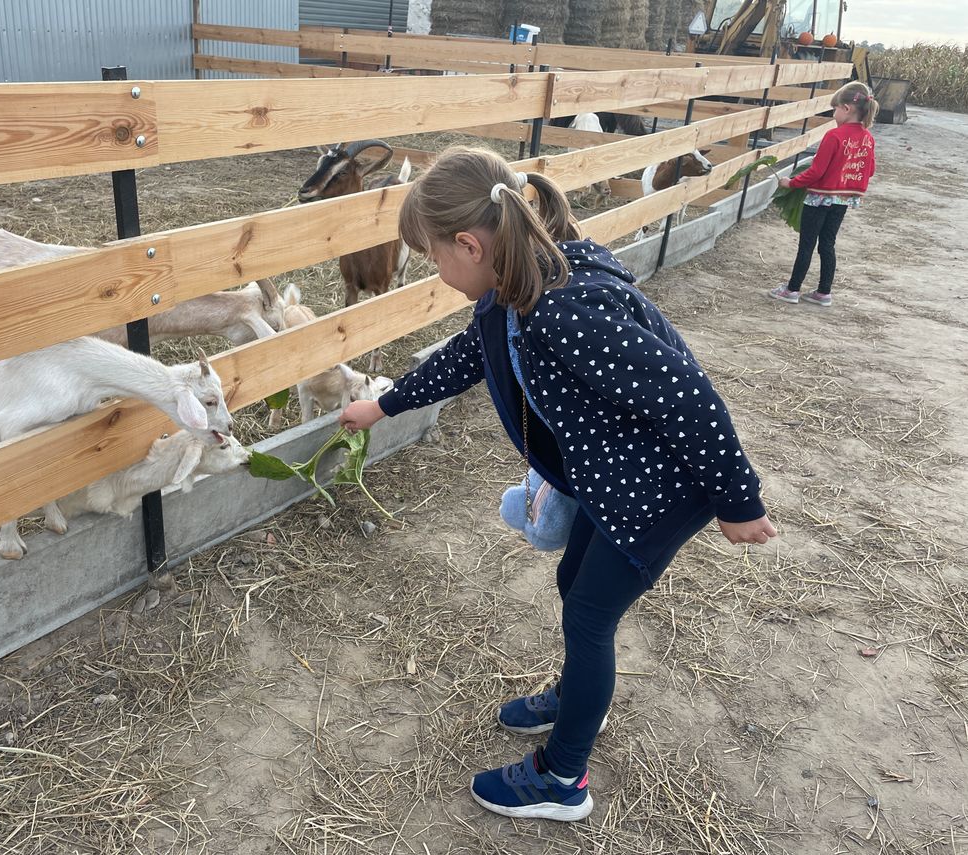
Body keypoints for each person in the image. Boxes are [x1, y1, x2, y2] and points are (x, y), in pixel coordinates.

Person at [339, 146, 777, 822]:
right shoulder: (512, 288)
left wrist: (738, 500)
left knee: (589, 612)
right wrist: (385, 403)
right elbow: (465, 358)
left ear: (469, 244)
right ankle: (580, 700)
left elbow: (686, 396)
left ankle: (563, 778)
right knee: (575, 585)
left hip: (656, 491)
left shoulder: (565, 307)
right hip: (615, 479)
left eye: (434, 258)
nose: (436, 271)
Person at [770, 81, 878, 308]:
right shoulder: (868, 138)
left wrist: (791, 183)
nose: (834, 114)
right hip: (843, 199)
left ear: (846, 108)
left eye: (835, 109)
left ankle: (792, 289)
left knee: (807, 244)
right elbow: (870, 170)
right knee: (827, 244)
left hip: (819, 198)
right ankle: (824, 292)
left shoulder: (834, 135)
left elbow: (816, 171)